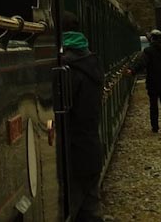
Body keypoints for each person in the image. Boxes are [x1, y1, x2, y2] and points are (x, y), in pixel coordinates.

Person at [62, 13, 104, 222]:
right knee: (91, 208)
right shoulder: (91, 61)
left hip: (74, 152)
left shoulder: (67, 67)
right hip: (91, 147)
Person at [130, 29, 161, 134]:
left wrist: (132, 71)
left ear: (152, 39)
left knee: (153, 105)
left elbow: (141, 63)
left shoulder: (148, 51)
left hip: (152, 82)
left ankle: (155, 127)